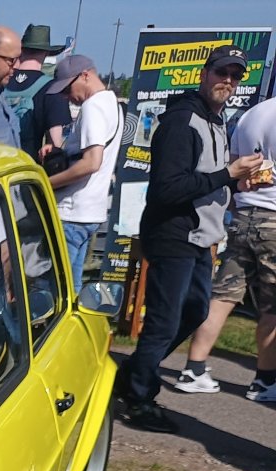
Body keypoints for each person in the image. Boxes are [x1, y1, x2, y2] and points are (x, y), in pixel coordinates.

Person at [119, 45, 267, 432]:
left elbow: (207, 178)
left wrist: (236, 181)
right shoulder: (183, 121)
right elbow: (167, 189)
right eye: (222, 73)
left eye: (236, 76)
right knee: (165, 322)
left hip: (202, 234)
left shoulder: (215, 120)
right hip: (174, 233)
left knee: (195, 312)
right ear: (205, 73)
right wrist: (227, 174)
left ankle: (131, 376)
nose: (228, 82)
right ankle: (138, 398)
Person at [175, 96, 276, 399]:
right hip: (273, 219)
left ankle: (194, 369)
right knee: (272, 305)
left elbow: (233, 166)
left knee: (223, 295)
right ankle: (265, 381)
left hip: (243, 214)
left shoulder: (252, 115)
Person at [41, 57, 120, 291]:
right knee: (71, 286)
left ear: (85, 75)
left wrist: (46, 183)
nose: (66, 96)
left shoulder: (92, 106)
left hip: (72, 211)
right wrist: (60, 152)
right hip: (91, 211)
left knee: (57, 287)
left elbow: (91, 163)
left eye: (67, 88)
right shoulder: (111, 102)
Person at [3, 24, 64, 158]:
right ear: (47, 53)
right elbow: (55, 139)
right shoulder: (51, 88)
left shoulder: (1, 79)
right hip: (24, 165)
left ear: (21, 50)